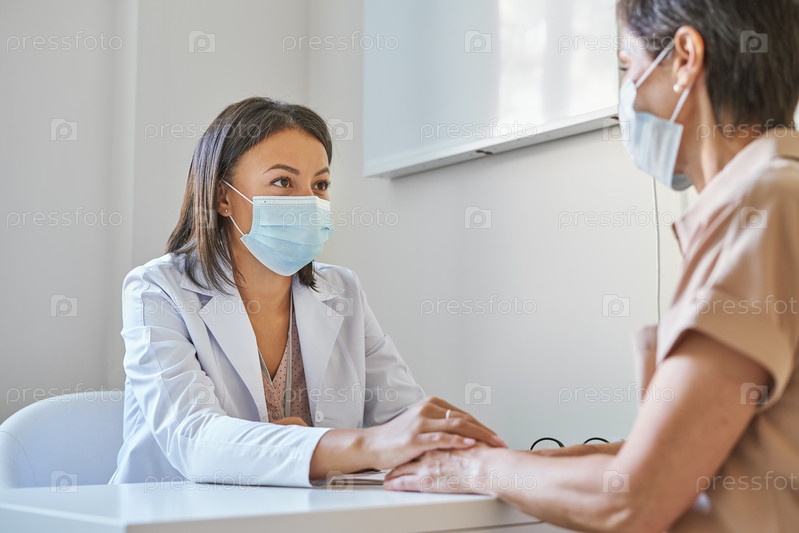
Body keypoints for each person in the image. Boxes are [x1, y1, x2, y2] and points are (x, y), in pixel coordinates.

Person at [384, 1, 799, 531]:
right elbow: (692, 455)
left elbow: (633, 498)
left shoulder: (766, 206)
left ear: (685, 58)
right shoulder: (769, 197)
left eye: (628, 67)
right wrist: (522, 465)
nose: (628, 95)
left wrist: (474, 467)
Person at [110, 97, 504, 487]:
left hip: (310, 512)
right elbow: (195, 440)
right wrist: (360, 445)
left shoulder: (343, 291)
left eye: (320, 184)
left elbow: (400, 417)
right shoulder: (157, 290)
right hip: (171, 511)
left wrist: (456, 446)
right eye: (283, 182)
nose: (309, 202)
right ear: (222, 197)